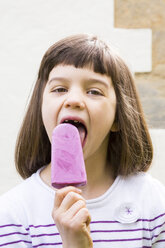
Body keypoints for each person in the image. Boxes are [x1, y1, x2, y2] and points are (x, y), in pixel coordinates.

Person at [0, 34, 165, 248]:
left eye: (94, 91)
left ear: (118, 117)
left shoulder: (152, 202)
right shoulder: (14, 214)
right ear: (41, 109)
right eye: (60, 89)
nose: (74, 100)